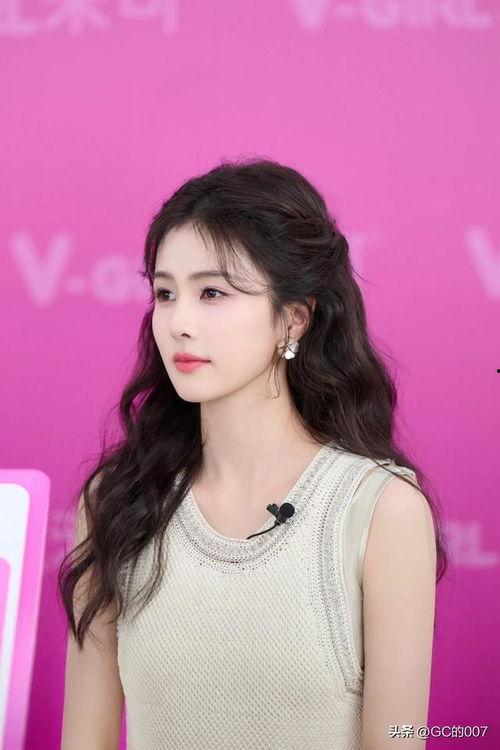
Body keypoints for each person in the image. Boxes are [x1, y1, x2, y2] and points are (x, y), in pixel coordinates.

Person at [59, 157, 447, 750]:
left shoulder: (380, 509)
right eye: (165, 293)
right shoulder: (118, 499)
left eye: (212, 292)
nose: (178, 321)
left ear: (293, 318)